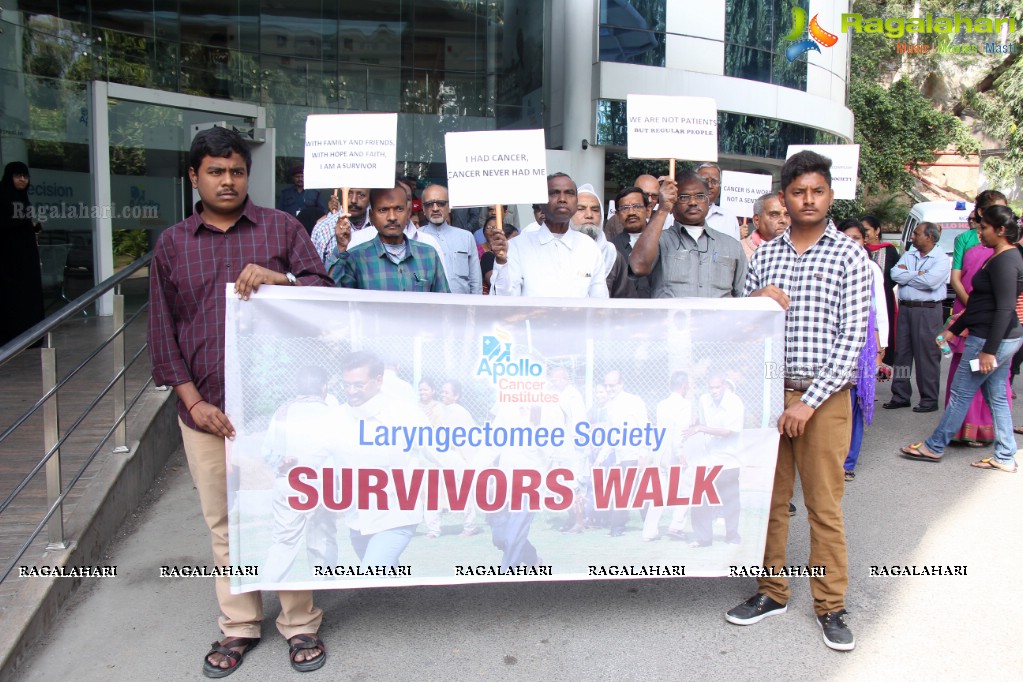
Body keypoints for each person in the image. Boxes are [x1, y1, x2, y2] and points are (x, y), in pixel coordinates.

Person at [148, 127, 332, 676]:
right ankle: (239, 626)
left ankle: (300, 624)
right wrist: (192, 401)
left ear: (247, 175)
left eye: (236, 170)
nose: (227, 181)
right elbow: (163, 330)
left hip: (279, 411)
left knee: (290, 513)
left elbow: (325, 293)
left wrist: (282, 279)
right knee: (225, 520)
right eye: (215, 171)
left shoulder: (281, 228)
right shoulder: (173, 245)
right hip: (208, 411)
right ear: (194, 177)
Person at [725, 150, 871, 652]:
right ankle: (771, 592)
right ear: (783, 198)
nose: (808, 200)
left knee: (824, 506)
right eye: (798, 192)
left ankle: (831, 604)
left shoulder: (852, 256)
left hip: (824, 398)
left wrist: (806, 401)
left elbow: (852, 337)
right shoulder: (764, 255)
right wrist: (754, 300)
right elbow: (744, 328)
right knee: (769, 501)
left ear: (830, 195)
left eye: (817, 191)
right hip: (769, 391)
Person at [901, 205, 1023, 473]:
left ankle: (934, 446)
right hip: (993, 338)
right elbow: (980, 303)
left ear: (1001, 230)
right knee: (996, 397)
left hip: (991, 341)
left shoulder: (1006, 260)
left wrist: (989, 351)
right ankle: (1004, 455)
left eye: (985, 227)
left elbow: (1004, 309)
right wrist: (953, 329)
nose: (979, 232)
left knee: (961, 391)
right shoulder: (997, 256)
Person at [261, 366, 340, 583]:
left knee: (284, 542)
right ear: (324, 388)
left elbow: (267, 452)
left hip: (289, 482)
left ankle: (268, 585)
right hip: (322, 484)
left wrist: (280, 461)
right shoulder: (334, 414)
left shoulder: (283, 411)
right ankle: (325, 587)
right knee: (322, 540)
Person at [629, 171, 747, 299]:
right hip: (670, 319)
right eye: (684, 197)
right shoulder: (658, 242)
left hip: (718, 319)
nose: (693, 202)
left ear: (708, 201)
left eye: (700, 196)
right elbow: (638, 267)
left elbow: (743, 296)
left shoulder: (732, 246)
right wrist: (663, 209)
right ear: (673, 202)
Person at [490, 173, 608, 298]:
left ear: (576, 202)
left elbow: (600, 302)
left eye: (569, 193)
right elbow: (505, 301)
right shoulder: (517, 246)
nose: (562, 199)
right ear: (541, 203)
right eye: (554, 193)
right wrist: (501, 262)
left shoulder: (589, 247)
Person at [837, 220, 889, 481]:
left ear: (863, 242)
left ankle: (848, 462)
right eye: (845, 237)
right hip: (833, 345)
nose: (850, 242)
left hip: (864, 346)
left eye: (856, 238)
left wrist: (880, 349)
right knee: (834, 404)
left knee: (856, 402)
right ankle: (829, 458)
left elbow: (878, 309)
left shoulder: (870, 269)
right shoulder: (829, 264)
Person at [330, 183, 450, 293]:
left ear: (408, 212)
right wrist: (341, 248)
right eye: (383, 210)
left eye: (398, 209)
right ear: (371, 217)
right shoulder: (356, 258)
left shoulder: (428, 255)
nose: (392, 217)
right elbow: (332, 297)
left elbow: (445, 306)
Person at [884, 222, 950, 412]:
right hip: (906, 309)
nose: (912, 236)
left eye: (916, 233)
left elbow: (931, 282)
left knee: (927, 355)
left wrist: (909, 275)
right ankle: (900, 395)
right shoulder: (910, 253)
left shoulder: (941, 258)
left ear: (929, 237)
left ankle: (929, 399)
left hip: (928, 311)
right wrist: (917, 274)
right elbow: (895, 274)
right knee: (902, 353)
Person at [1, 161, 44, 346]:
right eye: (18, 176)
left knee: (28, 297)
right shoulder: (3, 196)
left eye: (25, 176)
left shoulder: (22, 197)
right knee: (11, 298)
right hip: (8, 262)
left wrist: (32, 226)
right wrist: (25, 223)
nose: (22, 180)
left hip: (25, 260)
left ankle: (31, 337)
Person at [419, 184, 482, 294]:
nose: (435, 208)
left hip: (462, 307)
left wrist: (474, 308)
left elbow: (475, 282)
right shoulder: (415, 238)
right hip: (429, 307)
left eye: (441, 203)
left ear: (449, 207)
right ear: (423, 209)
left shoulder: (466, 237)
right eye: (429, 204)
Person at [950, 190, 1007, 308]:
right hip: (964, 305)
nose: (1001, 214)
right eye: (996, 209)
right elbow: (955, 279)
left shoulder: (1005, 239)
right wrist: (971, 306)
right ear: (981, 212)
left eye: (1004, 210)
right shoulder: (964, 238)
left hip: (993, 307)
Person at [574, 183, 631, 298]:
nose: (589, 215)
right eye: (580, 209)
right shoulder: (560, 249)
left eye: (595, 210)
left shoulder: (612, 255)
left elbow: (625, 301)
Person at [861, 215, 899, 369]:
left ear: (877, 230)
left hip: (884, 299)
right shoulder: (859, 251)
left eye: (867, 230)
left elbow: (896, 275)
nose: (865, 234)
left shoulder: (889, 250)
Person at [611, 186, 653, 297]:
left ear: (648, 210)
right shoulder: (611, 248)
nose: (631, 212)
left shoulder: (662, 241)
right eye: (625, 208)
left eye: (637, 206)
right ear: (618, 215)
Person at [695, 162, 742, 240]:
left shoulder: (729, 218)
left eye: (714, 182)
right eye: (705, 181)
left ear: (720, 187)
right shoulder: (676, 214)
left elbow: (734, 251)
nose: (709, 186)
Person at [741, 192, 789, 261]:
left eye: (787, 215)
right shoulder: (739, 250)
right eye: (774, 215)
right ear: (757, 220)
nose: (783, 220)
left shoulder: (801, 250)